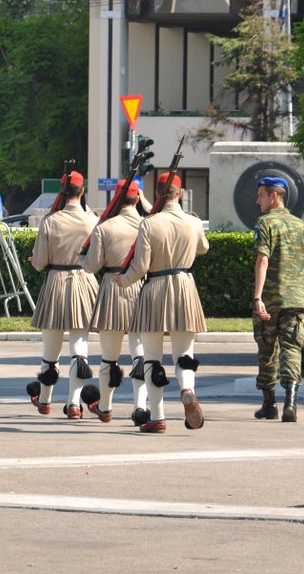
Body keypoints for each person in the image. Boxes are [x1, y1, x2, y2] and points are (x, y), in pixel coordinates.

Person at [116, 171, 209, 433]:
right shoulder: (193, 222)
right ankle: (187, 388)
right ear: (179, 194)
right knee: (185, 354)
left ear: (157, 194)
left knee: (152, 358)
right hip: (185, 286)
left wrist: (124, 280)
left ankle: (157, 417)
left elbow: (141, 264)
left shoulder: (150, 223)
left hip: (155, 288)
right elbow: (203, 248)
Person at [26, 170, 100, 419]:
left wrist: (34, 261)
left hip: (56, 282)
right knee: (80, 350)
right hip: (84, 281)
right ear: (82, 192)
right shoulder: (93, 220)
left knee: (51, 351)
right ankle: (74, 404)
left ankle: (45, 400)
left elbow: (40, 261)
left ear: (62, 193)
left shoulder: (51, 221)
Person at [82, 178, 150, 423]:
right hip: (141, 288)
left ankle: (106, 406)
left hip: (112, 287)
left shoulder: (104, 227)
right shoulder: (147, 225)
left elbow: (91, 266)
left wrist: (82, 257)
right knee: (140, 356)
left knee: (108, 357)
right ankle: (140, 406)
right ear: (137, 198)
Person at [251, 176, 304, 423]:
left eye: (261, 195)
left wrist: (257, 297)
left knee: (267, 348)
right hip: (297, 298)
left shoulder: (264, 223)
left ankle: (269, 404)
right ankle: (291, 402)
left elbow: (262, 260)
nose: (257, 201)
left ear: (274, 196)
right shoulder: (301, 226)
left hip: (271, 298)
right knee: (292, 347)